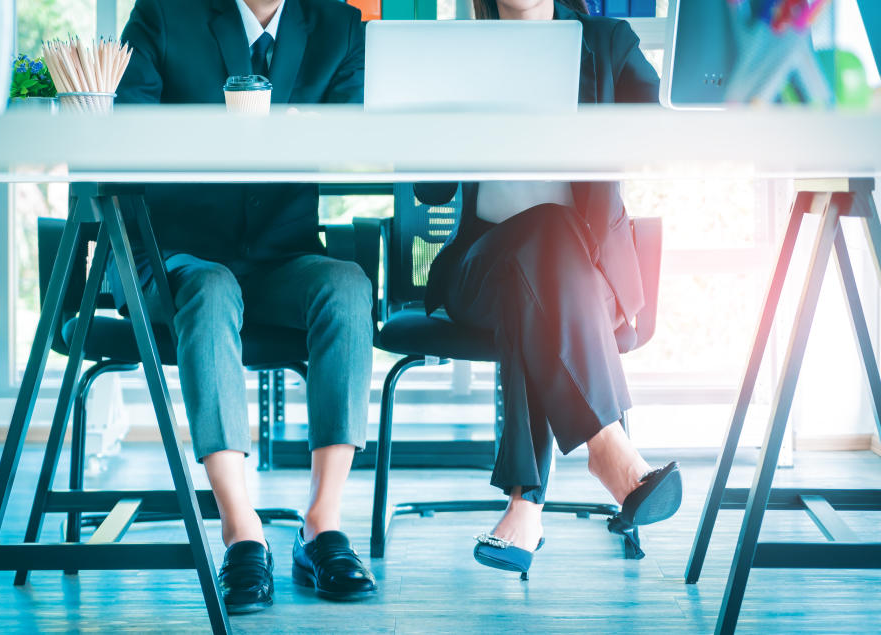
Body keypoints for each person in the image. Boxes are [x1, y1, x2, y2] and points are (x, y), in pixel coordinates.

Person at [114, 0, 376, 613]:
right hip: (180, 254)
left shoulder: (336, 25)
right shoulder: (162, 15)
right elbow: (122, 128)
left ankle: (322, 524)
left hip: (281, 255)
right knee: (210, 290)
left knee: (347, 284)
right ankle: (241, 529)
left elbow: (360, 133)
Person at [418, 0, 682, 577]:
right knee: (538, 241)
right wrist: (438, 116)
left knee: (542, 261)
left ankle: (525, 502)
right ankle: (608, 447)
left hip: (588, 279)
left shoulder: (608, 42)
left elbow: (664, 132)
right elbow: (430, 189)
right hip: (479, 269)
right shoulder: (460, 53)